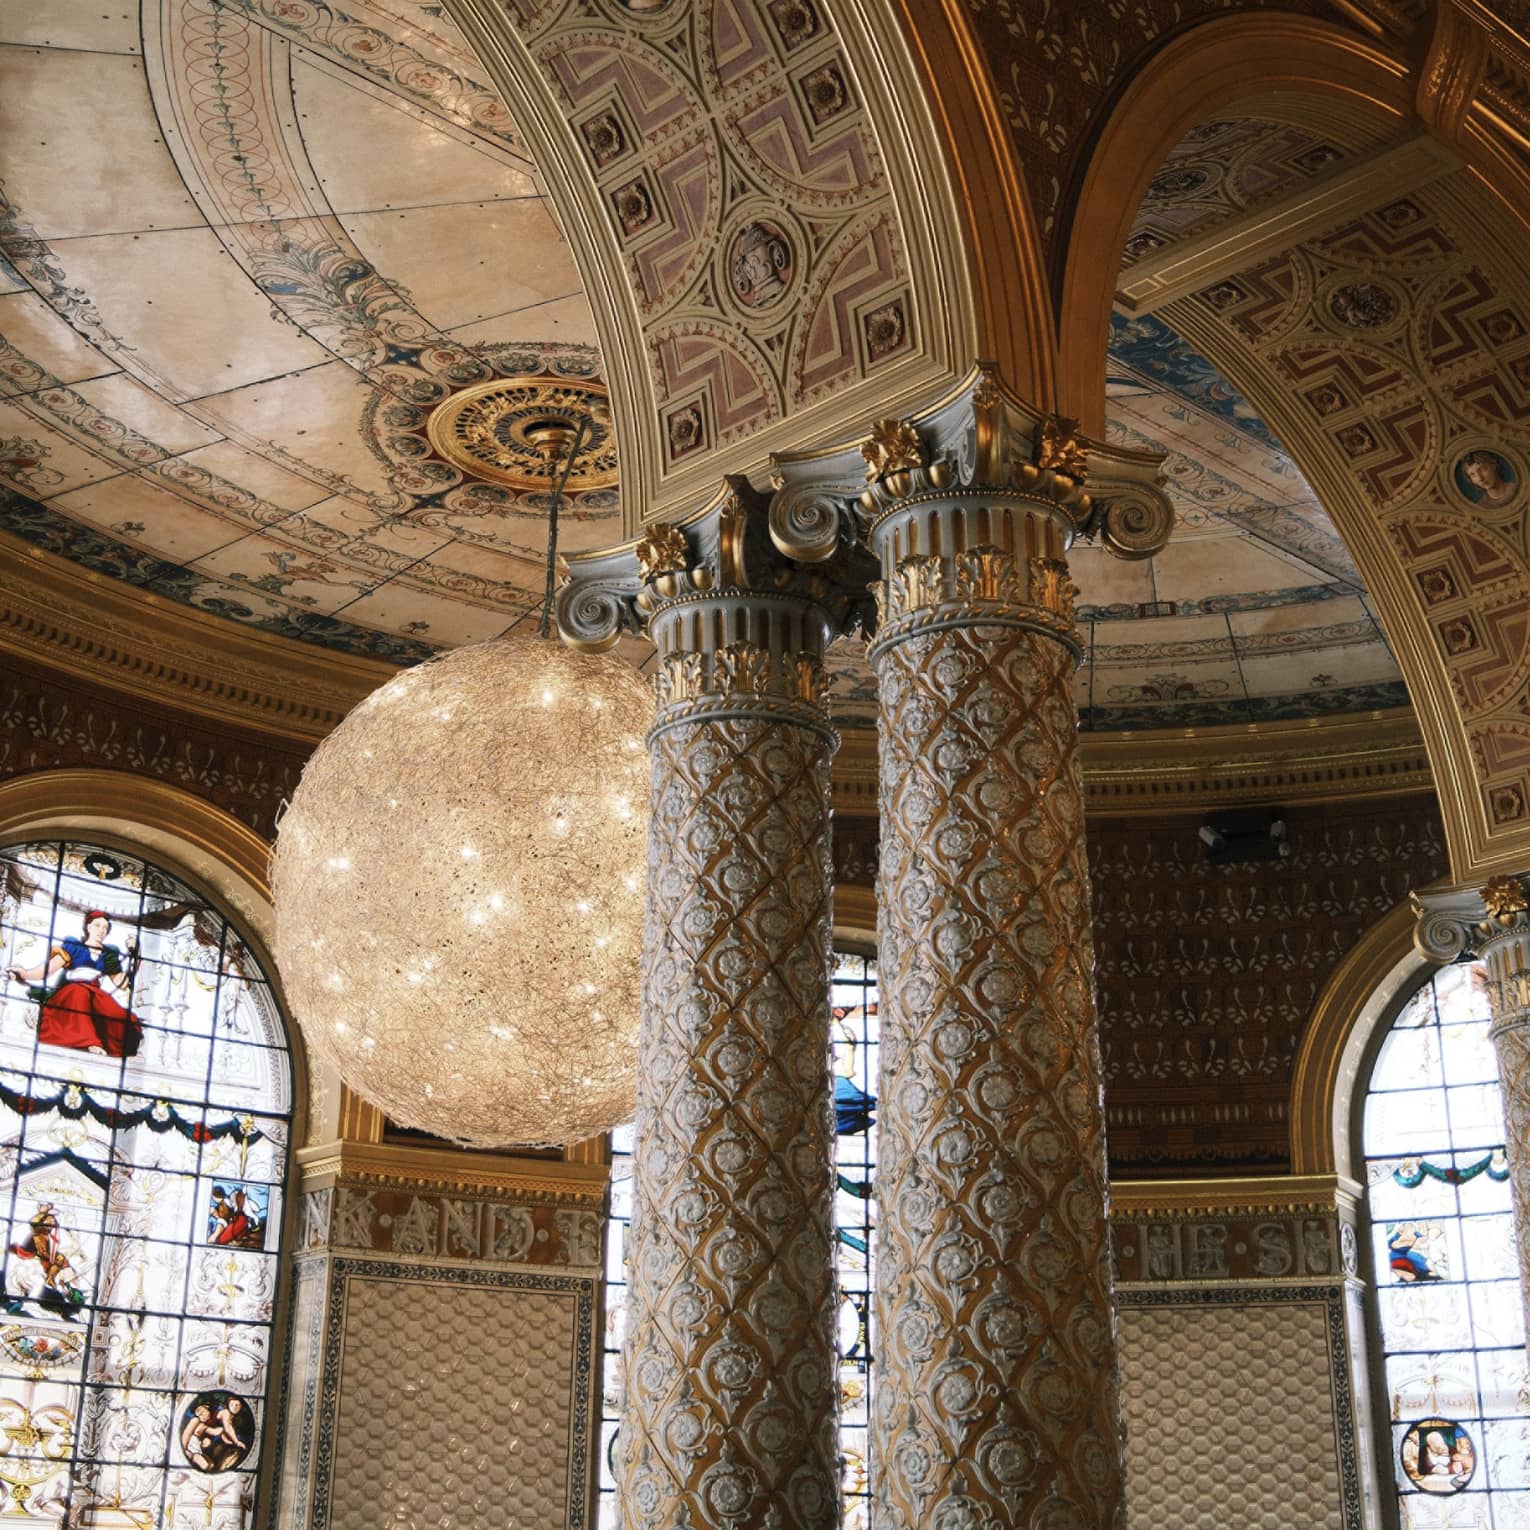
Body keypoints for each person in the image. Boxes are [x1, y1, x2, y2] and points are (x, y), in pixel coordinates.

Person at [6, 911, 143, 1057]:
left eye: (105, 927)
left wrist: (135, 955)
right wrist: (25, 974)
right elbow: (47, 970)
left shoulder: (108, 954)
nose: (101, 930)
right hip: (72, 992)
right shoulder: (74, 947)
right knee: (80, 994)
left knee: (117, 1014)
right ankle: (88, 1042)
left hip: (95, 994)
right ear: (88, 927)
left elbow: (122, 983)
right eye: (97, 925)